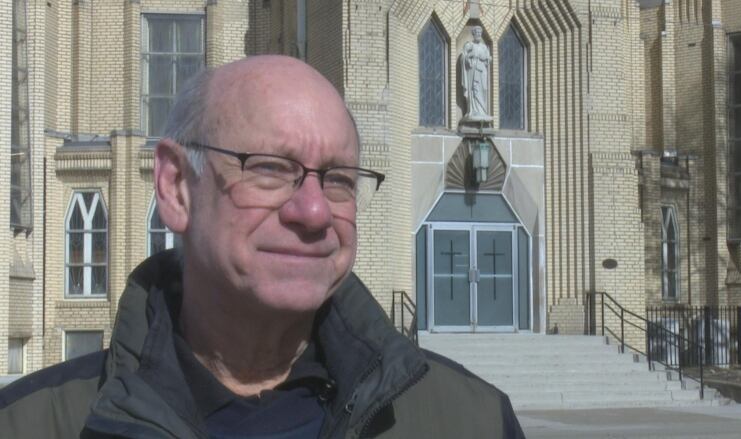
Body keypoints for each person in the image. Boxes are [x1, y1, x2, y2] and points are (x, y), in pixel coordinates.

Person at [0, 56, 524, 438]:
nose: (315, 211)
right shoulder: (36, 423)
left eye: (339, 178)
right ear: (176, 188)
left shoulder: (472, 420)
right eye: (271, 169)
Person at [462, 26, 493, 121]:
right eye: (477, 33)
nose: (479, 34)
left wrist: (487, 59)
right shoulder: (469, 45)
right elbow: (463, 57)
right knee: (474, 89)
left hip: (482, 70)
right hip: (473, 69)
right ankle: (473, 110)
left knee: (483, 89)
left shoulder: (484, 47)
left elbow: (488, 58)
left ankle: (482, 111)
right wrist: (470, 56)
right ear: (474, 34)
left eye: (480, 33)